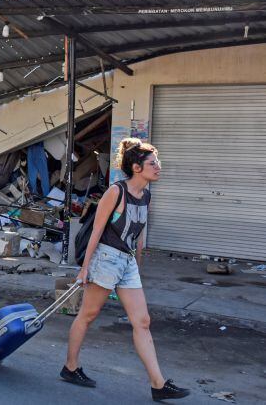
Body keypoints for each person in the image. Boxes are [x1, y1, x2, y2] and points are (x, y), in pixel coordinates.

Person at [61, 138, 190, 401]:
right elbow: (96, 230)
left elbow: (139, 235)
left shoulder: (147, 195)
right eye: (152, 163)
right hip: (106, 259)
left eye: (158, 162)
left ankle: (158, 384)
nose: (158, 167)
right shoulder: (116, 192)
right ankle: (70, 367)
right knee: (87, 315)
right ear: (136, 167)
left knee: (142, 322)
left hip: (127, 263)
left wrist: (137, 267)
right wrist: (84, 268)